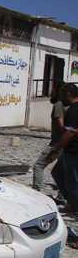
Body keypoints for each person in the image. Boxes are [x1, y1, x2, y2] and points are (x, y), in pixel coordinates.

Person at [33, 81, 67, 192]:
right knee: (60, 171)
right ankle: (63, 197)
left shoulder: (58, 105)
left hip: (57, 143)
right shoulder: (68, 106)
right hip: (66, 143)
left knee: (38, 166)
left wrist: (56, 146)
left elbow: (61, 126)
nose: (51, 92)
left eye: (52, 89)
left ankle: (37, 192)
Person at [51, 83, 78, 215]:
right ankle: (72, 202)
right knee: (56, 172)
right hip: (69, 151)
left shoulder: (74, 110)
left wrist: (57, 147)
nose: (60, 97)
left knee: (72, 183)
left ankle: (75, 207)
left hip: (73, 152)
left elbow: (70, 133)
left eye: (62, 94)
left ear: (68, 94)